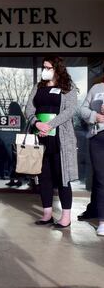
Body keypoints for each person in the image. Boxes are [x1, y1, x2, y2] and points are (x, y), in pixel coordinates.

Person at [25, 56, 78, 228]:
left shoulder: (67, 87)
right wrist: (36, 123)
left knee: (63, 178)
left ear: (57, 69)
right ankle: (47, 214)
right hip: (40, 137)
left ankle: (66, 217)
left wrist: (49, 125)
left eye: (48, 67)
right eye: (43, 67)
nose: (44, 70)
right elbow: (29, 108)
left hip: (60, 139)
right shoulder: (38, 87)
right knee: (44, 177)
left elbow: (70, 110)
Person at [79, 78, 104, 235]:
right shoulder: (97, 88)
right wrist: (95, 115)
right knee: (102, 179)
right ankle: (102, 221)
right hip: (97, 139)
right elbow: (82, 110)